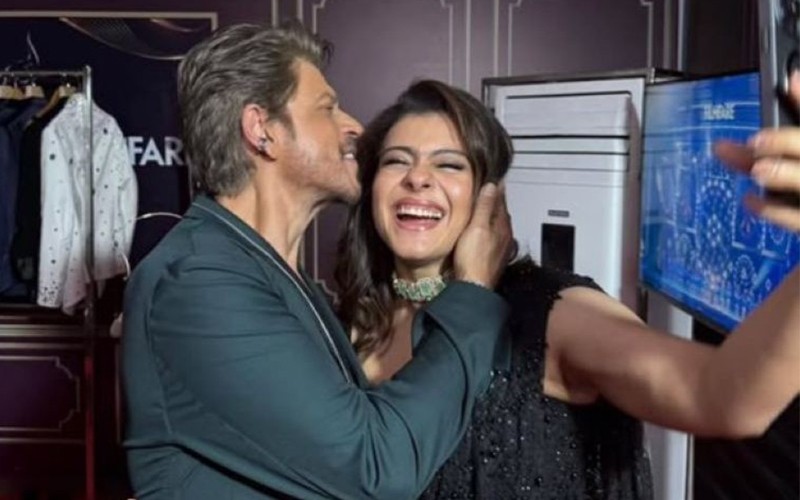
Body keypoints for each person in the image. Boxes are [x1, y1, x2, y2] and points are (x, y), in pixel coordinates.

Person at [335, 78, 800, 499]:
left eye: (449, 165)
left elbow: (722, 394)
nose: (418, 178)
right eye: (397, 161)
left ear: (489, 197)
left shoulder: (554, 316)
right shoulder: (351, 320)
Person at [121, 22, 514, 499]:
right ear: (262, 130)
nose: (354, 128)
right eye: (327, 108)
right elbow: (376, 468)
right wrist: (473, 291)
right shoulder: (199, 283)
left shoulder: (269, 273)